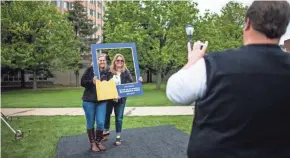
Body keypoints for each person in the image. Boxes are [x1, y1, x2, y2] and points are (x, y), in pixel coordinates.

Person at [166, 1, 290, 158]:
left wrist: (193, 60)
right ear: (283, 28)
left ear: (247, 23)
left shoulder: (212, 64)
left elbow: (175, 92)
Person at [103, 53, 142, 146]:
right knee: (106, 115)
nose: (119, 62)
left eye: (121, 60)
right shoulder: (109, 71)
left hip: (121, 99)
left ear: (123, 62)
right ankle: (105, 132)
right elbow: (104, 82)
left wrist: (139, 82)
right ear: (114, 61)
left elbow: (131, 83)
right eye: (118, 60)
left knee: (119, 118)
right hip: (109, 98)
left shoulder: (126, 71)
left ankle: (118, 137)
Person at [80, 54, 110, 152]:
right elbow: (82, 82)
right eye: (100, 60)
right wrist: (91, 82)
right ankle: (92, 143)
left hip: (102, 101)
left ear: (106, 62)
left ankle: (98, 142)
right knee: (90, 122)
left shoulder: (108, 72)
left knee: (101, 122)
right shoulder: (90, 70)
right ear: (97, 61)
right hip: (89, 101)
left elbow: (113, 85)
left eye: (103, 60)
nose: (102, 62)